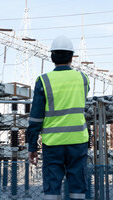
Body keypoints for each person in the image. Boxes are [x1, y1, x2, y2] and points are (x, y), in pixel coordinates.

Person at [27, 36, 90, 200]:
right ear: (71, 57)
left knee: (52, 187)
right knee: (78, 187)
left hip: (53, 143)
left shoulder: (44, 80)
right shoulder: (83, 79)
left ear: (52, 56)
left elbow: (35, 118)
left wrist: (32, 146)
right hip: (78, 141)